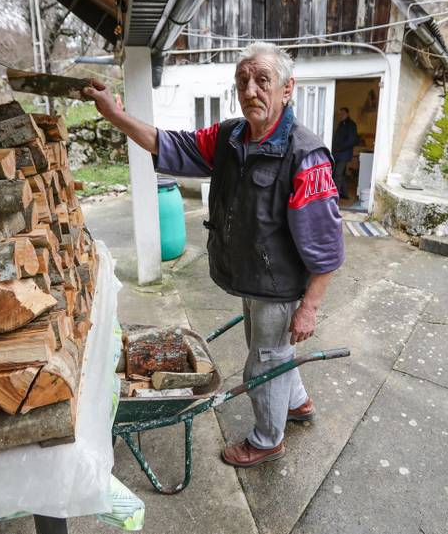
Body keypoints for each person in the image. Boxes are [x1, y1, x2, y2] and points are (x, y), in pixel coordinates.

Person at [84, 42, 344, 468]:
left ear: (287, 89)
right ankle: (296, 403)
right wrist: (114, 114)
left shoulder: (305, 155)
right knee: (272, 348)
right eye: (243, 81)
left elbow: (327, 246)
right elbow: (167, 144)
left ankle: (266, 440)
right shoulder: (230, 137)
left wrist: (309, 307)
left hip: (278, 284)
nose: (251, 90)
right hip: (249, 275)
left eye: (263, 80)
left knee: (264, 359)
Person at [331, 108, 359, 199]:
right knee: (340, 174)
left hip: (344, 154)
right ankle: (345, 194)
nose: (341, 115)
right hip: (337, 153)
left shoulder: (351, 124)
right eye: (340, 114)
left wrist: (339, 148)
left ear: (347, 113)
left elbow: (352, 140)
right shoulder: (341, 124)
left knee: (337, 174)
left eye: (343, 113)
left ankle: (335, 196)